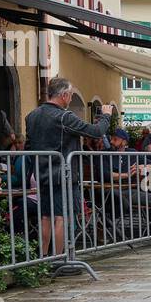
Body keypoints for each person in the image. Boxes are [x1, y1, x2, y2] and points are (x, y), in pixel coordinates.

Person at [23, 77, 113, 256]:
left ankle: (42, 258)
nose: (71, 99)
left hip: (41, 174)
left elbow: (28, 146)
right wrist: (106, 116)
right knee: (61, 217)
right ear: (64, 95)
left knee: (45, 217)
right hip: (62, 175)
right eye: (71, 95)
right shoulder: (64, 116)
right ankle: (59, 258)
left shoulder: (31, 116)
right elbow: (96, 132)